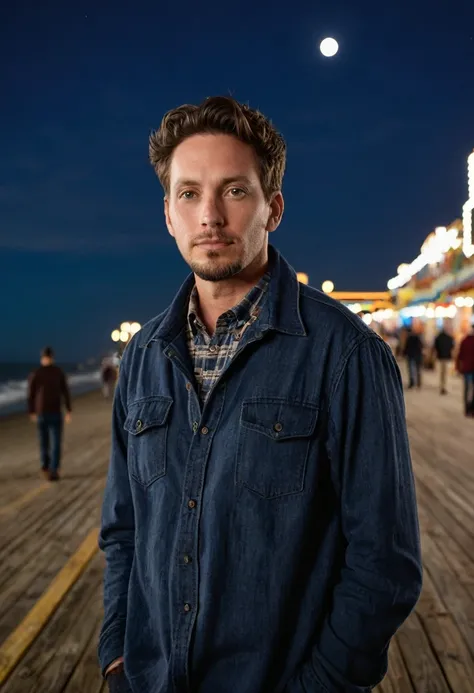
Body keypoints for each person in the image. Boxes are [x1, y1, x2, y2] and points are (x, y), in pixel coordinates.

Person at [98, 96, 422, 693]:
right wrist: (119, 657)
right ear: (168, 213)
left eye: (235, 191)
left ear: (273, 208)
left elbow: (385, 561)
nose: (210, 216)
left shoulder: (345, 354)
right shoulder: (142, 356)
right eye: (189, 193)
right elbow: (124, 530)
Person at [28, 347, 72, 481]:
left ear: (42, 357)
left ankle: (46, 467)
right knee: (55, 442)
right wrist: (69, 410)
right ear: (52, 357)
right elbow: (65, 392)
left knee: (45, 442)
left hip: (44, 411)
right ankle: (53, 469)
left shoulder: (36, 373)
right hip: (54, 411)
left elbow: (31, 394)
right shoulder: (58, 372)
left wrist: (32, 411)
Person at [456, 323, 474, 417]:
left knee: (467, 389)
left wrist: (458, 367)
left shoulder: (465, 340)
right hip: (468, 368)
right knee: (468, 389)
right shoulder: (465, 340)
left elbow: (460, 355)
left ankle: (468, 408)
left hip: (467, 368)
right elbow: (460, 355)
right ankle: (469, 409)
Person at [433, 323, 455, 394]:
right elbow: (452, 348)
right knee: (445, 373)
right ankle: (444, 386)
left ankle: (442, 385)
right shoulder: (450, 338)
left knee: (441, 373)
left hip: (440, 357)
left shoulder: (438, 338)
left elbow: (435, 347)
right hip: (447, 357)